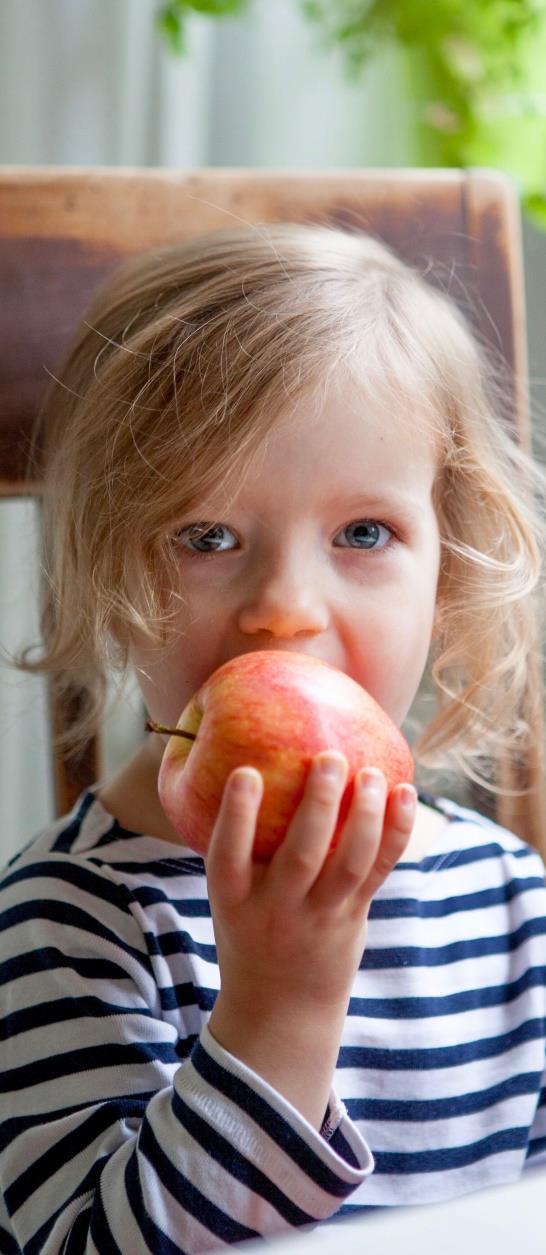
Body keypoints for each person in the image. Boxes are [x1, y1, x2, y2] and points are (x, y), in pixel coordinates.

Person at [1, 221, 546, 1254]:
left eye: (364, 533)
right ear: (111, 575)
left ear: (451, 568)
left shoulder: (510, 899)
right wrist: (279, 1010)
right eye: (208, 537)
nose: (286, 607)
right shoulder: (68, 922)